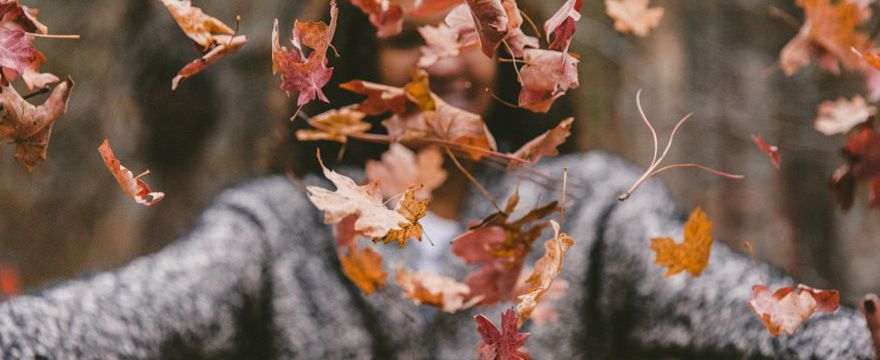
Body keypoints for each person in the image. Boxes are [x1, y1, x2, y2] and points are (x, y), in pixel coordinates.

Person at [0, 2, 878, 359]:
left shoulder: (587, 209)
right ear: (351, 65)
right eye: (404, 34)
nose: (440, 60)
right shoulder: (281, 228)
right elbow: (126, 313)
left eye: (464, 27)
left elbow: (761, 319)